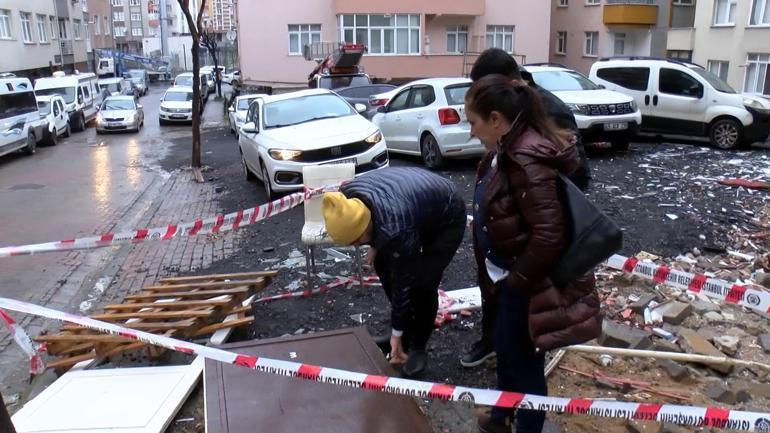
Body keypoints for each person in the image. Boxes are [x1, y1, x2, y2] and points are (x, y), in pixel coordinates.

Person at [464, 75, 602, 433]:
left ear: (496, 119)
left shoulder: (525, 159)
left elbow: (548, 235)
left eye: (473, 122)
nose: (471, 132)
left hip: (524, 285)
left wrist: (516, 283)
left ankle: (527, 427)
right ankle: (500, 417)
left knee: (524, 365)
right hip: (507, 279)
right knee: (507, 354)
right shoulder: (503, 153)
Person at [321, 167, 466, 378]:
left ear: (362, 229)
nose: (355, 247)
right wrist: (375, 245)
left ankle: (416, 347)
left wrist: (395, 333)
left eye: (356, 242)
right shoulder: (347, 197)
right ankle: (404, 334)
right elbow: (379, 223)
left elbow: (402, 283)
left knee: (424, 281)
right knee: (382, 262)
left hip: (446, 216)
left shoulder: (396, 229)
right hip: (410, 207)